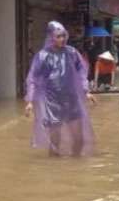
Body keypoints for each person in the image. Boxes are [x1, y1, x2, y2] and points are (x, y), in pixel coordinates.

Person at [25, 21, 96, 157]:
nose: (62, 39)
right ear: (51, 37)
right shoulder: (42, 56)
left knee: (79, 139)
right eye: (58, 36)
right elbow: (33, 78)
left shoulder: (72, 53)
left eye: (64, 36)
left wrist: (86, 91)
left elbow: (82, 71)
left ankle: (75, 167)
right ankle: (55, 170)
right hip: (52, 102)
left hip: (71, 99)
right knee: (55, 141)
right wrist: (30, 100)